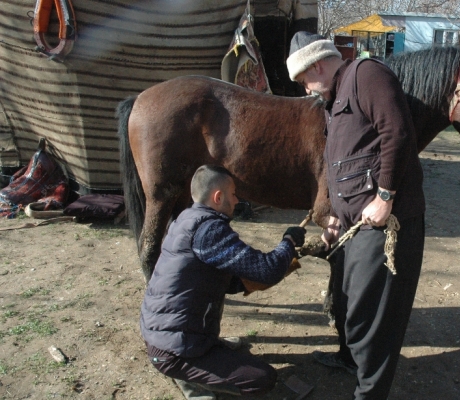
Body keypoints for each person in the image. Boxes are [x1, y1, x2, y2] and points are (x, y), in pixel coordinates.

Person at [286, 32, 426, 399]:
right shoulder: (333, 100)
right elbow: (344, 163)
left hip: (385, 223)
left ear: (317, 64)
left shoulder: (367, 75)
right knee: (349, 301)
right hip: (355, 224)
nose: (305, 90)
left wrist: (385, 195)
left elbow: (397, 134)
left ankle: (370, 393)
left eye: (304, 81)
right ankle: (353, 365)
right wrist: (336, 213)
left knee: (372, 317)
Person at [140, 165, 306, 399]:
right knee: (262, 378)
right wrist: (288, 242)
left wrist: (248, 281)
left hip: (162, 333)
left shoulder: (187, 218)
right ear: (218, 197)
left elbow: (218, 280)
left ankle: (201, 355)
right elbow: (266, 270)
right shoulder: (209, 231)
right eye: (234, 193)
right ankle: (192, 381)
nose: (237, 200)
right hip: (172, 350)